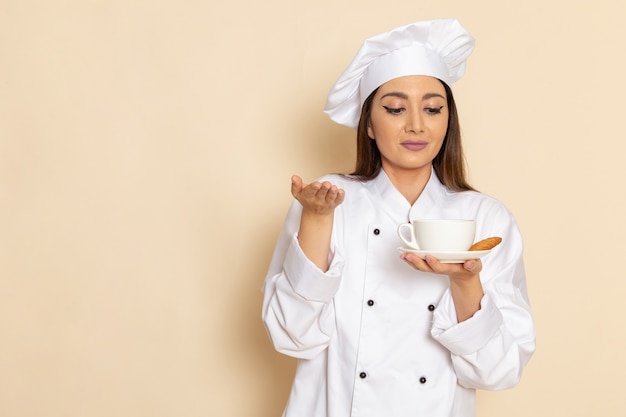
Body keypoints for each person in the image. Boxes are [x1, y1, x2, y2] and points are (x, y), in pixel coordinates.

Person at [262, 18, 535, 417]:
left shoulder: (485, 217)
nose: (416, 125)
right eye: (394, 108)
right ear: (369, 124)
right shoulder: (328, 199)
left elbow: (498, 372)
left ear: (448, 120)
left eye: (432, 108)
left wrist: (464, 279)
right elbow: (293, 337)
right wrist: (318, 221)